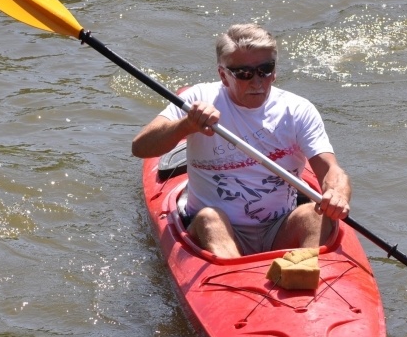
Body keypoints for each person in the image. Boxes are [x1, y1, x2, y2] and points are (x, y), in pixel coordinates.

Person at [132, 23, 351, 258]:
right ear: (223, 75)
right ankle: (235, 282)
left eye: (265, 69)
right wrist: (186, 125)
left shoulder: (297, 110)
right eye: (244, 73)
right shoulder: (198, 98)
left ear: (274, 71)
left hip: (279, 227)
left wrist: (336, 194)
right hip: (216, 232)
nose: (257, 82)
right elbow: (140, 146)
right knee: (210, 219)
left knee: (315, 215)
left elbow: (331, 170)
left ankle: (305, 272)